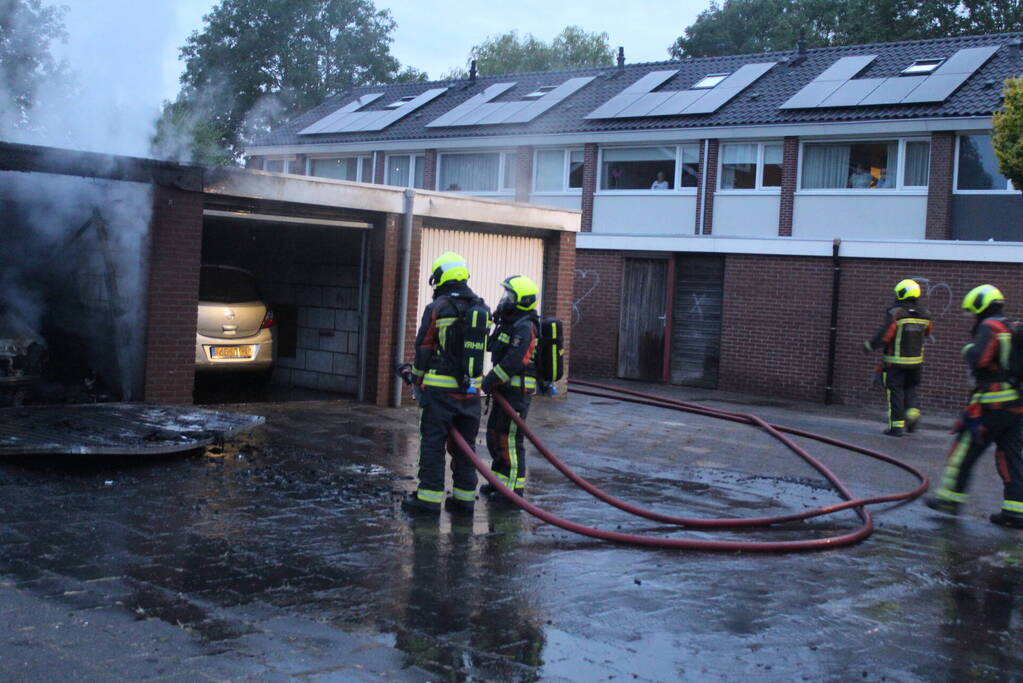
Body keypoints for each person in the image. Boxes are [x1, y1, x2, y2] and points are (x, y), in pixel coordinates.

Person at [926, 285, 1023, 529]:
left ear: (981, 306)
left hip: (991, 404)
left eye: (973, 311)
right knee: (1010, 457)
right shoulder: (1012, 327)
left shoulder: (990, 326)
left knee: (964, 450)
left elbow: (979, 359)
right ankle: (1015, 511)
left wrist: (968, 349)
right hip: (1016, 405)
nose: (972, 317)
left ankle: (949, 500)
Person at [400, 252, 487, 516]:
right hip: (470, 394)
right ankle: (464, 499)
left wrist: (415, 378)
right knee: (465, 448)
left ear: (440, 276)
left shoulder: (438, 308)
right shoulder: (481, 308)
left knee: (433, 444)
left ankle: (428, 500)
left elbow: (425, 346)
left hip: (439, 393)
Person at [479, 275, 541, 503]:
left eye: (510, 296)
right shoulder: (510, 323)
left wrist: (490, 379)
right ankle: (499, 483)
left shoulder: (525, 327)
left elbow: (515, 361)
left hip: (516, 393)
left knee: (510, 440)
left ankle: (513, 491)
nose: (505, 299)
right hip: (504, 390)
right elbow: (492, 346)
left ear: (523, 300)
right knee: (495, 436)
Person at [863, 279, 933, 436]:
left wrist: (870, 345)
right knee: (911, 390)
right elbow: (928, 332)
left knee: (895, 393)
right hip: (916, 363)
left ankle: (896, 427)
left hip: (895, 363)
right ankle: (912, 416)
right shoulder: (926, 314)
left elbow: (885, 335)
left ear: (902, 294)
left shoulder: (896, 313)